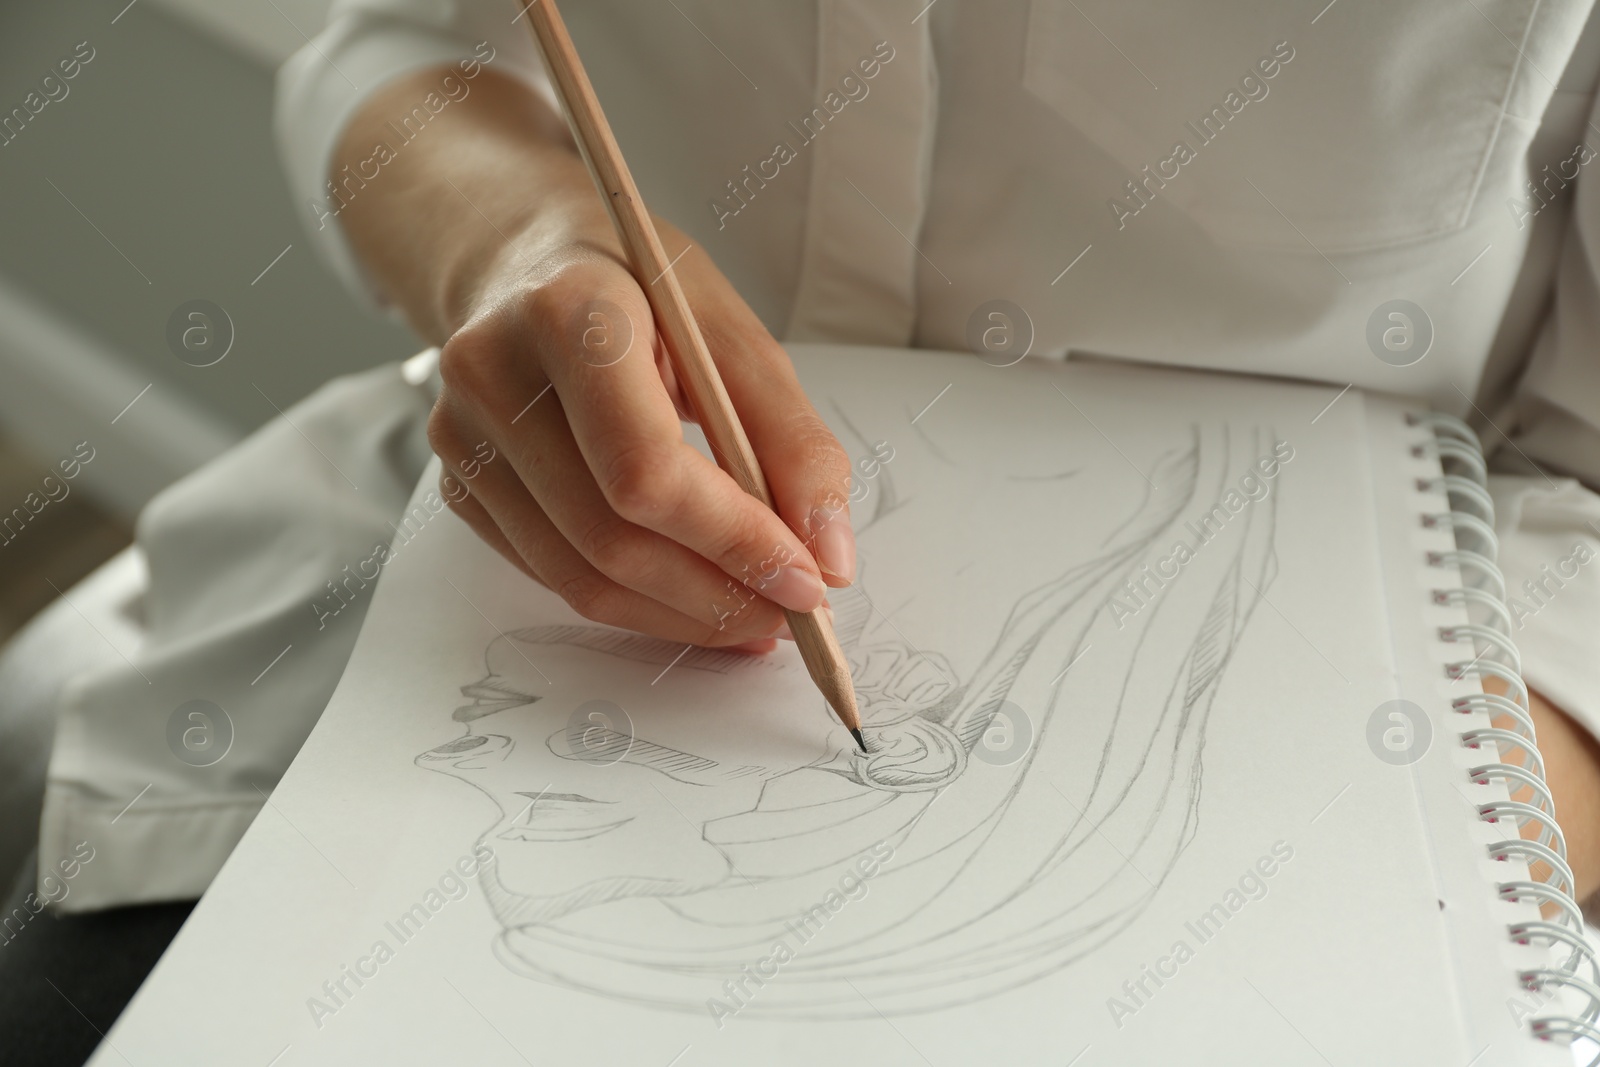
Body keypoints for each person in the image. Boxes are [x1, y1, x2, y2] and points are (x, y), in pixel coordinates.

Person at [6, 2, 1600, 1059]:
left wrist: (1311, 886)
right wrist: (510, 240)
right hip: (400, 601)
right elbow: (382, 44)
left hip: (1396, 761)